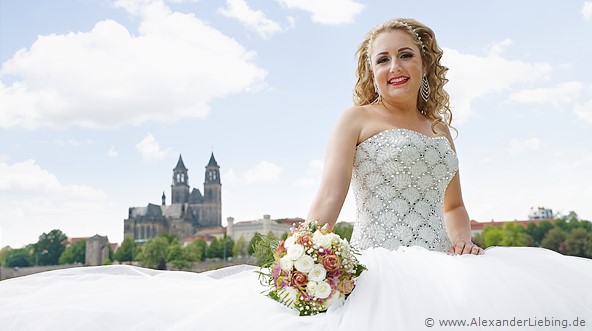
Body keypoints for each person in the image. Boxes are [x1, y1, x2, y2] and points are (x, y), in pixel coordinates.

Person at [0, 18, 591, 331]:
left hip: (448, 266)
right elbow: (329, 199)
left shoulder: (443, 132)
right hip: (382, 264)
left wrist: (462, 238)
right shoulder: (356, 120)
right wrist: (305, 254)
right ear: (371, 72)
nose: (393, 65)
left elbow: (455, 205)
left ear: (424, 64)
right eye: (380, 58)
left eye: (404, 54)